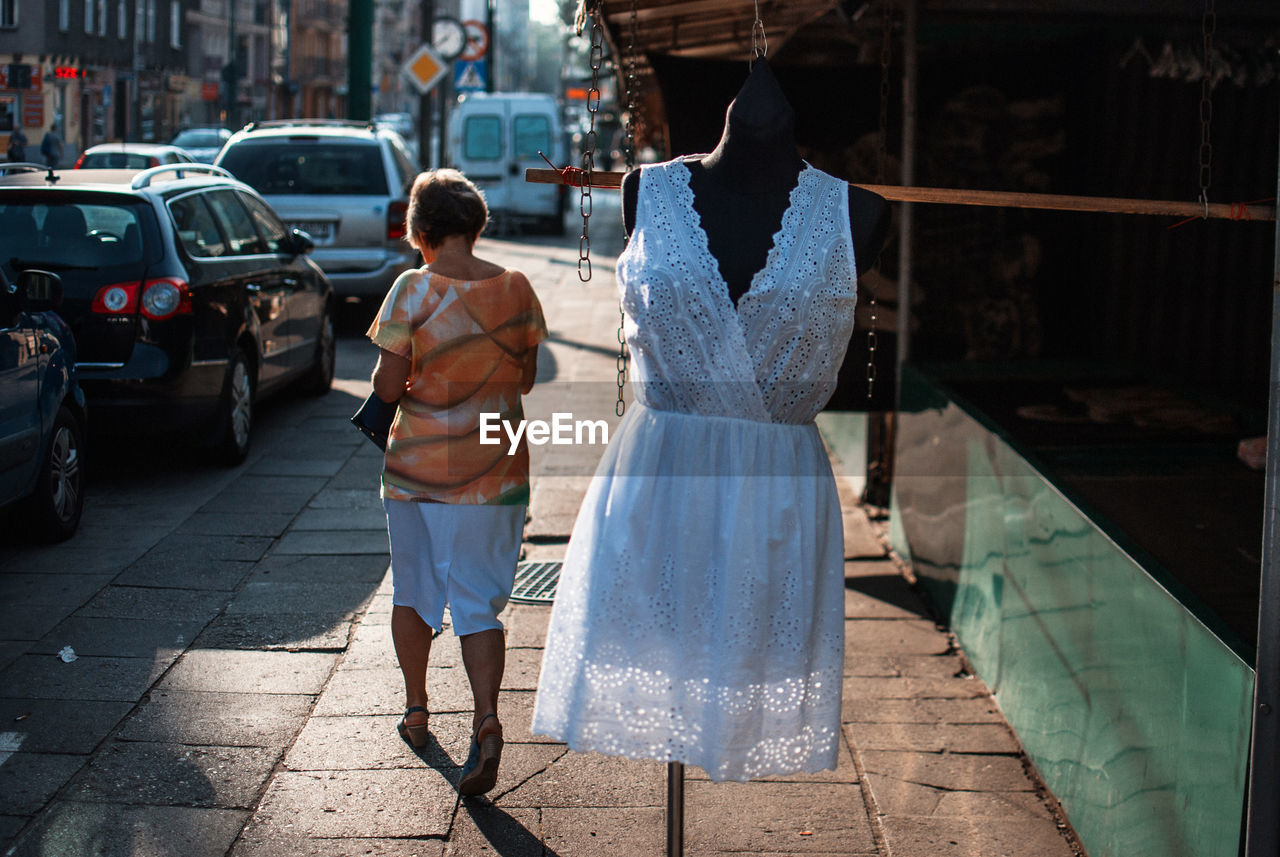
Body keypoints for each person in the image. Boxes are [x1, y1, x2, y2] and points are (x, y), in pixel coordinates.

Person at [531, 59, 890, 781]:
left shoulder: (859, 210)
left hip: (774, 485)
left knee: (748, 654)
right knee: (656, 644)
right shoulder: (646, 190)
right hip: (660, 474)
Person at [367, 168, 547, 796]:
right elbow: (524, 380)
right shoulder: (517, 288)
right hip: (497, 468)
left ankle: (417, 712)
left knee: (415, 591)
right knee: (479, 601)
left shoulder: (411, 290)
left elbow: (389, 387)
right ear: (477, 227)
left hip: (420, 467)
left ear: (420, 231)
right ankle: (489, 720)